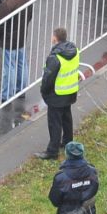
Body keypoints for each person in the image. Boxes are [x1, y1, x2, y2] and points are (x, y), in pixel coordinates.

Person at [38, 27, 82, 157]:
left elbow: (48, 78)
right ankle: (68, 141)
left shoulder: (55, 57)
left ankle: (52, 151)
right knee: (66, 118)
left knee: (55, 122)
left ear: (55, 38)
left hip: (57, 95)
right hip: (71, 91)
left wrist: (43, 91)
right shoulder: (75, 51)